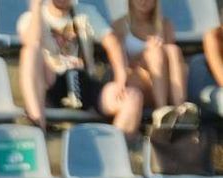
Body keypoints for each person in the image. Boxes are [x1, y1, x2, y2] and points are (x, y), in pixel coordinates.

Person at [18, 0, 143, 138]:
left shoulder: (86, 13)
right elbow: (31, 42)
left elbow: (112, 42)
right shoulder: (30, 18)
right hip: (51, 81)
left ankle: (112, 149)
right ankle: (36, 124)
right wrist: (36, 7)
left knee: (133, 98)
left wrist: (121, 77)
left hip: (83, 81)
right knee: (30, 52)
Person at [111, 0, 191, 120]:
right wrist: (145, 53)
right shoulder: (119, 25)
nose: (143, 2)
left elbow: (172, 62)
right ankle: (162, 110)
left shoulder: (165, 25)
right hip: (136, 79)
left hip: (164, 83)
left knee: (172, 50)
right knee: (154, 53)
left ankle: (180, 107)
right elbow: (120, 63)